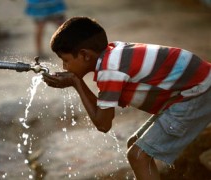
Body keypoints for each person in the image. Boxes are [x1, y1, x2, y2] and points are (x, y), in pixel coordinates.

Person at [42, 16, 211, 179]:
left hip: (198, 93)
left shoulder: (110, 70)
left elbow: (103, 123)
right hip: (194, 88)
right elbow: (102, 112)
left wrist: (76, 82)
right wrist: (76, 81)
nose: (64, 67)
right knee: (134, 145)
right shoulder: (112, 55)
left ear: (85, 55)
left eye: (65, 60)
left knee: (138, 156)